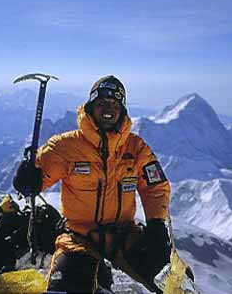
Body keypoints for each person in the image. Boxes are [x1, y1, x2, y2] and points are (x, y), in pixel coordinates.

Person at [13, 75, 171, 293]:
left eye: (114, 103)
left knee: (169, 279)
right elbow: (37, 179)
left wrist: (156, 223)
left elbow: (155, 186)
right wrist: (29, 180)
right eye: (102, 103)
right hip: (79, 237)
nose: (108, 108)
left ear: (122, 110)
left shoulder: (136, 148)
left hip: (124, 235)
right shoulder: (65, 146)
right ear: (91, 107)